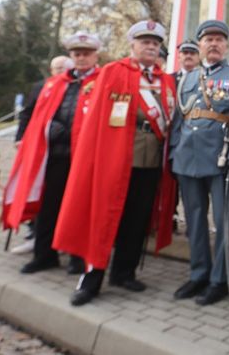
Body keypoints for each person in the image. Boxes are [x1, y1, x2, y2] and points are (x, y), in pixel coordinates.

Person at [53, 20, 177, 307]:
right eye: (145, 41)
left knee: (137, 219)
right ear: (132, 45)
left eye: (155, 43)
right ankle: (92, 278)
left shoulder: (166, 80)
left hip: (150, 160)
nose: (150, 46)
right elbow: (96, 120)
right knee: (105, 217)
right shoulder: (113, 72)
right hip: (116, 159)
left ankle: (124, 271)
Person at [169, 19, 229, 306]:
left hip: (221, 158)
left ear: (226, 45)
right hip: (187, 157)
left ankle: (219, 280)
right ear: (201, 44)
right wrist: (173, 153)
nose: (214, 44)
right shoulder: (188, 78)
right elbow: (179, 119)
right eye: (209, 39)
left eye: (219, 39)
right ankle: (199, 274)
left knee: (223, 222)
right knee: (194, 219)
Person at [2, 33, 102, 276]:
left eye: (86, 53)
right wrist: (49, 127)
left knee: (79, 207)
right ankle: (44, 254)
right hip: (55, 155)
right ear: (71, 56)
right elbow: (38, 116)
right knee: (49, 207)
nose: (81, 57)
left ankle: (78, 257)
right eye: (77, 53)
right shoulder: (55, 84)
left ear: (95, 55)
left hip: (84, 157)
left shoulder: (103, 81)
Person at [16, 55, 73, 146]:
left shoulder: (78, 86)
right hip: (45, 138)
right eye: (59, 68)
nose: (63, 71)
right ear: (52, 71)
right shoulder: (41, 88)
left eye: (66, 68)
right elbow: (27, 112)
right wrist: (20, 137)